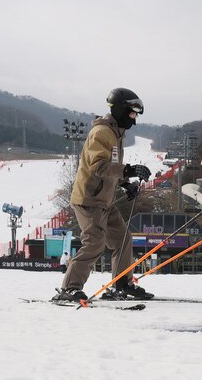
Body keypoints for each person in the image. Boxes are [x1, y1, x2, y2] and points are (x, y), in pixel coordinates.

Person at [52, 88, 155, 303]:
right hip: (89, 200)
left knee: (123, 239)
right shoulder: (101, 133)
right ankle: (70, 288)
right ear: (121, 110)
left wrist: (125, 184)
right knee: (94, 243)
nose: (134, 120)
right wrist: (128, 170)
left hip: (104, 200)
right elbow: (99, 166)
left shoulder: (116, 133)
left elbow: (112, 167)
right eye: (132, 114)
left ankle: (121, 284)